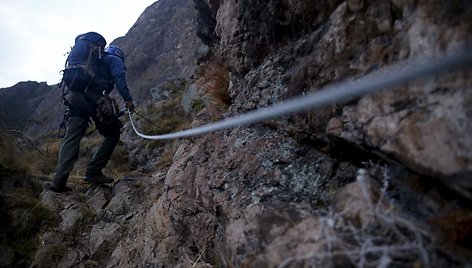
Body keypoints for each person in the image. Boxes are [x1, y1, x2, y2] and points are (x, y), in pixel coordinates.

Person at [48, 45, 135, 192]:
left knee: (72, 138)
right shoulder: (115, 60)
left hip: (75, 97)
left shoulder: (92, 59)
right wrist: (128, 100)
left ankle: (59, 180)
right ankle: (93, 172)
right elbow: (119, 77)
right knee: (112, 134)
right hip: (94, 97)